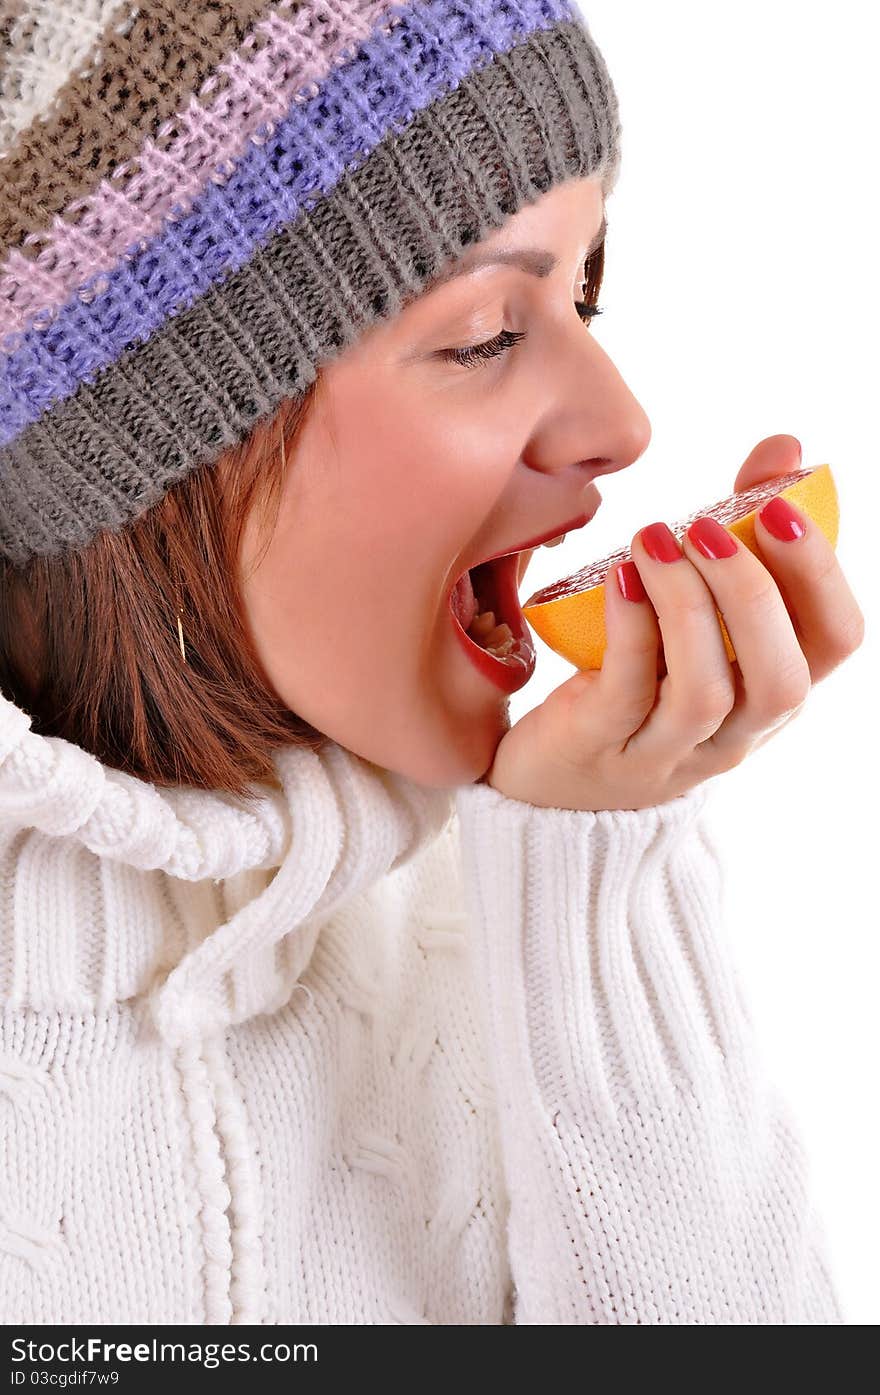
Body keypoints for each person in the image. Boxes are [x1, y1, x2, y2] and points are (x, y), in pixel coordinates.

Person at [0, 0, 863, 1325]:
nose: (625, 422)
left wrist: (602, 882)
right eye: (484, 334)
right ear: (144, 455)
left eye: (585, 290)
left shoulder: (488, 922)